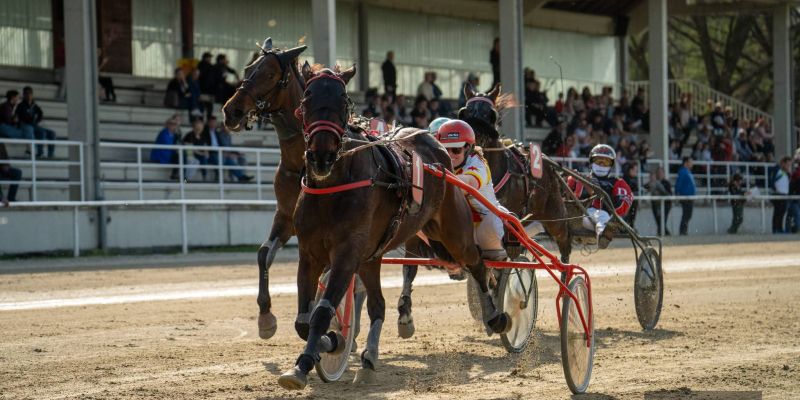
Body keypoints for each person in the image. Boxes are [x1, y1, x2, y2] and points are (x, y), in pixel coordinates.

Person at [435, 119, 507, 262]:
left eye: (456, 149)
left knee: (489, 225)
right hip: (462, 228)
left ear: (468, 148)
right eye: (445, 149)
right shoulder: (441, 163)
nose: (450, 155)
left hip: (487, 225)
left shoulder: (477, 164)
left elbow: (466, 184)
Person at [567, 144, 634, 249]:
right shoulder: (578, 178)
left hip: (596, 217)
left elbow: (622, 206)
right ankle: (532, 239)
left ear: (611, 164)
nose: (602, 164)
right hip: (575, 215)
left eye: (606, 162)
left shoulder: (617, 182)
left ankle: (604, 234)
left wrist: (613, 214)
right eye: (599, 161)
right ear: (592, 161)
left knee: (601, 215)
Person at [204, 116, 252, 182]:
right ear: (208, 123)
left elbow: (223, 146)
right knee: (223, 159)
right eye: (211, 122)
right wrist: (226, 154)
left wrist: (236, 153)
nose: (213, 124)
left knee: (231, 160)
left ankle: (241, 177)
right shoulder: (204, 133)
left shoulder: (217, 133)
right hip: (211, 154)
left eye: (214, 122)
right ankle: (219, 178)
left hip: (220, 153)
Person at [16, 87, 55, 159]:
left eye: (30, 93)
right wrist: (33, 122)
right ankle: (40, 153)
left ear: (32, 94)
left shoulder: (34, 105)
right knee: (41, 132)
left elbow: (40, 113)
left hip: (34, 125)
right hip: (26, 126)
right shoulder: (21, 105)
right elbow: (24, 118)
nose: (28, 95)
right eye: (26, 93)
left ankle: (51, 155)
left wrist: (37, 120)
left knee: (52, 133)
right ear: (23, 95)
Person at [675, 157, 697, 235]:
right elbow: (678, 183)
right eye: (690, 162)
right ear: (686, 163)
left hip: (689, 197)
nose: (692, 164)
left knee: (688, 214)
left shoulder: (688, 172)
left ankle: (684, 230)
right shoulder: (682, 172)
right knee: (686, 214)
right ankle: (683, 231)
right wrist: (677, 193)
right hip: (685, 197)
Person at [648, 166, 672, 236]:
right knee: (659, 222)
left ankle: (663, 234)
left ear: (664, 173)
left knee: (662, 221)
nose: (660, 174)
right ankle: (664, 233)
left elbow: (668, 193)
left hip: (665, 205)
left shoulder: (666, 182)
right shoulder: (653, 182)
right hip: (656, 205)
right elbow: (645, 189)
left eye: (661, 172)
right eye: (658, 173)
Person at [771, 156, 792, 233]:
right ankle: (775, 229)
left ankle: (779, 228)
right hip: (777, 194)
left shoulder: (786, 173)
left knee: (782, 213)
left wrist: (789, 173)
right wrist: (774, 189)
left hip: (784, 195)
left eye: (789, 165)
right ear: (783, 163)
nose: (788, 167)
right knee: (777, 213)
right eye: (787, 165)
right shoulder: (777, 169)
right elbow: (772, 181)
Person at [0, 142, 22, 206]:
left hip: (2, 168)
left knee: (17, 173)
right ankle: (1, 198)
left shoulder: (1, 143)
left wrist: (6, 165)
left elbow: (5, 157)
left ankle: (11, 197)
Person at [622, 162, 639, 227]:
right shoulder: (625, 178)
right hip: (626, 203)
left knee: (632, 217)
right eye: (635, 171)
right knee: (626, 217)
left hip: (634, 202)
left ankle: (631, 227)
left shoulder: (635, 178)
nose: (636, 172)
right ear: (631, 170)